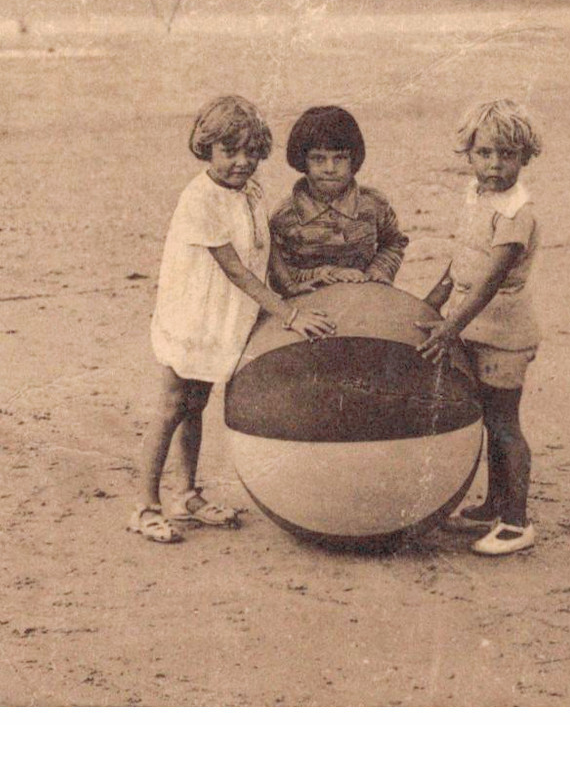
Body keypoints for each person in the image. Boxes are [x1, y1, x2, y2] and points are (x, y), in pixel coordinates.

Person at [131, 96, 336, 543]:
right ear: (207, 149)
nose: (242, 162)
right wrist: (289, 313)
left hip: (222, 316)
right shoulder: (199, 199)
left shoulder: (251, 191)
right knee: (170, 408)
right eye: (230, 151)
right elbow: (237, 270)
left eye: (251, 152)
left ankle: (185, 493)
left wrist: (291, 285)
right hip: (192, 318)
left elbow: (265, 249)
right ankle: (145, 505)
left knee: (195, 406)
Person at [417, 99, 544, 556]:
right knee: (490, 420)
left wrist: (450, 325)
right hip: (470, 324)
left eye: (507, 155)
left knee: (505, 422)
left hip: (503, 332)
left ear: (525, 157)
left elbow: (489, 280)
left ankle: (516, 521)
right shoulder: (476, 196)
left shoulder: (516, 214)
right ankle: (494, 504)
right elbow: (462, 261)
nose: (494, 165)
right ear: (468, 154)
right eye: (485, 153)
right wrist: (433, 300)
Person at [269, 105, 408, 295]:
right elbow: (278, 276)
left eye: (340, 158)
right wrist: (327, 274)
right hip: (308, 306)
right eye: (318, 159)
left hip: (366, 298)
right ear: (303, 161)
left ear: (354, 160)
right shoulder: (284, 217)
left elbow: (394, 242)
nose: (330, 168)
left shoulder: (374, 204)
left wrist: (378, 270)